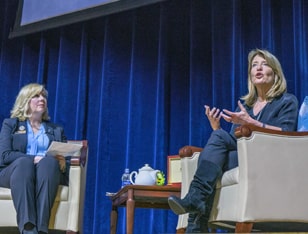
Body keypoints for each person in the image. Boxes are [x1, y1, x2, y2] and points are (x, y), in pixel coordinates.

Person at [168, 49, 299, 233]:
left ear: (275, 72)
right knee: (218, 144)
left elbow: (286, 133)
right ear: (250, 75)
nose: (258, 68)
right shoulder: (245, 106)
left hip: (268, 159)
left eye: (264, 64)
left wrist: (251, 123)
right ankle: (196, 209)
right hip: (243, 159)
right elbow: (230, 144)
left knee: (214, 156)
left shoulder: (286, 101)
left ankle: (196, 219)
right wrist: (216, 128)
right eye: (254, 65)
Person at [0, 83, 68, 234]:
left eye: (44, 96)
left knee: (49, 162)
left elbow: (65, 160)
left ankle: (42, 229)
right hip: (14, 173)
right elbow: (4, 156)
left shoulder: (56, 130)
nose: (42, 99)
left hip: (46, 173)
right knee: (25, 162)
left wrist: (63, 162)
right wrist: (33, 158)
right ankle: (29, 228)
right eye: (36, 96)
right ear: (25, 100)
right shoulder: (10, 124)